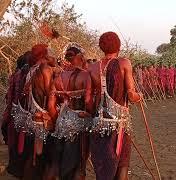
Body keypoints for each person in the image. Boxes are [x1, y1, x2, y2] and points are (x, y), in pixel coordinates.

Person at [89, 32, 141, 180]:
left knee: (102, 165)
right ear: (118, 45)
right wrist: (140, 97)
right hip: (119, 126)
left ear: (101, 47)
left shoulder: (92, 67)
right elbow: (131, 95)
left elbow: (90, 98)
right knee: (122, 164)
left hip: (99, 123)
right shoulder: (124, 63)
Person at [45, 44, 93, 179]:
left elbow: (51, 106)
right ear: (79, 57)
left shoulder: (58, 77)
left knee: (56, 163)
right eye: (83, 57)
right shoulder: (85, 76)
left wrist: (57, 121)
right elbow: (89, 103)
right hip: (80, 123)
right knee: (79, 165)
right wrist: (90, 114)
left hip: (61, 122)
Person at [12, 44, 56, 180]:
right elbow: (50, 94)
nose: (52, 55)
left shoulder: (31, 69)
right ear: (44, 55)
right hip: (43, 118)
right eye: (49, 52)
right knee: (42, 157)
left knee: (35, 155)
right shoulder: (45, 69)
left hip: (33, 116)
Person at [2, 51, 31, 178]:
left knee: (15, 142)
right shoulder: (27, 75)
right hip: (24, 114)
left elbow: (10, 96)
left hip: (14, 113)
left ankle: (15, 167)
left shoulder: (15, 75)